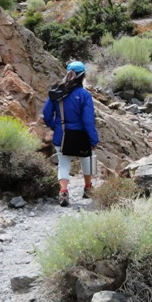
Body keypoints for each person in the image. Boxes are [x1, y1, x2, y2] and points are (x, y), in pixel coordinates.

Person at [42, 61, 99, 206]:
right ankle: (87, 188)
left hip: (62, 136)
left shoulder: (56, 92)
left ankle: (63, 191)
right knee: (86, 159)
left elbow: (46, 114)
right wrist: (93, 139)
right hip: (81, 136)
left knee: (63, 163)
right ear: (83, 76)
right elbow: (88, 121)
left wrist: (55, 126)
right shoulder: (84, 95)